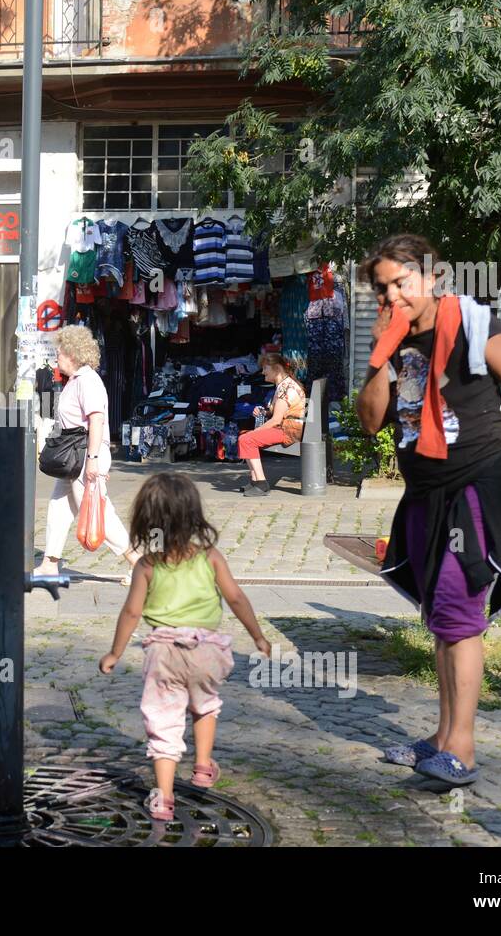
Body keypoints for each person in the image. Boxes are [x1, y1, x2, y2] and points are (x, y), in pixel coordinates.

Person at [357, 233, 501, 787]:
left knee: (460, 618)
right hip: (425, 493)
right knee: (441, 619)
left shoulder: (473, 322)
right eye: (383, 288)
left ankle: (462, 746)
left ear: (431, 275)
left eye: (402, 282)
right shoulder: (396, 341)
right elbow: (371, 421)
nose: (394, 295)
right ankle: (440, 736)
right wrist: (379, 358)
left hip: (475, 486)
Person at [99, 472, 272, 822]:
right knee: (205, 705)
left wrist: (115, 653)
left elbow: (132, 611)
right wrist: (257, 636)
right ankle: (204, 766)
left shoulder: (148, 565)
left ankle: (163, 798)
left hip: (164, 652)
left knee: (164, 720)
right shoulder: (209, 556)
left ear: (146, 520)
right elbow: (235, 597)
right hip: (208, 649)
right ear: (193, 514)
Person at [33, 325, 141, 583]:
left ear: (72, 353)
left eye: (59, 352)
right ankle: (50, 564)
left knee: (96, 510)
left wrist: (93, 460)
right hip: (77, 454)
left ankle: (138, 561)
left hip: (85, 455)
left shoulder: (87, 381)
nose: (56, 356)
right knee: (58, 508)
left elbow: (96, 420)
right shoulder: (76, 381)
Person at [237, 352, 307, 497]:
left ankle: (261, 484)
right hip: (287, 426)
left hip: (289, 429)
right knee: (244, 436)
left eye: (265, 368)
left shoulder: (285, 389)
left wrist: (254, 432)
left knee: (247, 439)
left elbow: (276, 420)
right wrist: (263, 411)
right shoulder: (283, 385)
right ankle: (255, 481)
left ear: (276, 368)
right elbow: (275, 413)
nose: (263, 372)